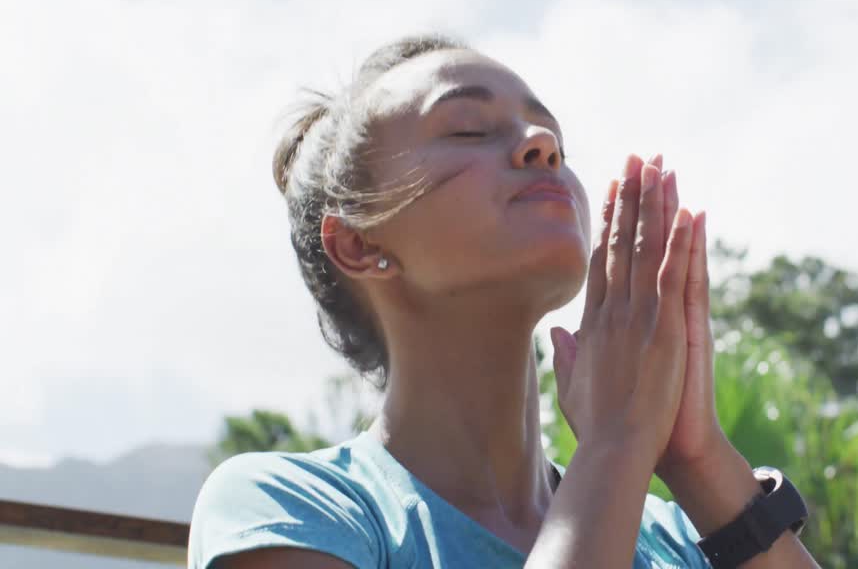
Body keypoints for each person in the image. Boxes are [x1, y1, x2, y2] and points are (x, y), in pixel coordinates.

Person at [187, 35, 819, 568]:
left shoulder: (681, 539)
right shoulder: (289, 509)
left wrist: (698, 458)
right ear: (357, 243)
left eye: (555, 140)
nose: (540, 142)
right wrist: (618, 444)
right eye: (467, 129)